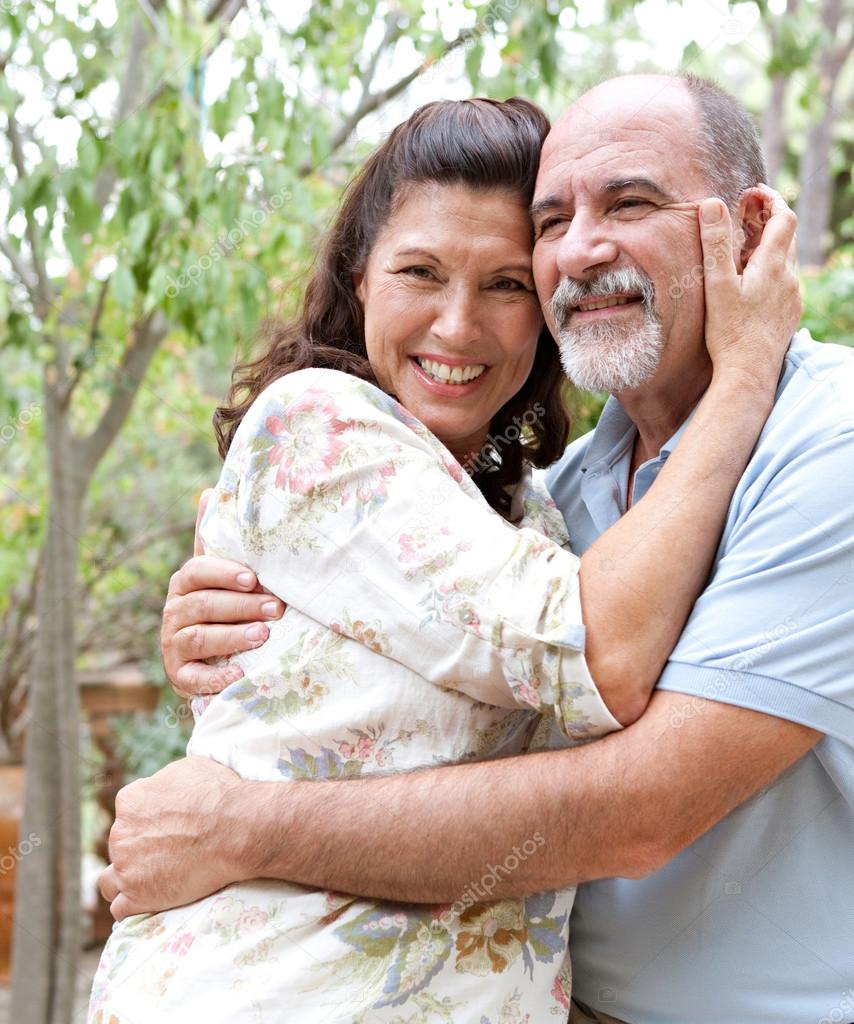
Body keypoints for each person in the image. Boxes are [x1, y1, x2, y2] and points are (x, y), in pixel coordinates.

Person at [101, 75, 854, 1024]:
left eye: (630, 202)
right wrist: (238, 624)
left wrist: (240, 827)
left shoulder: (830, 447)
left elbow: (642, 802)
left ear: (749, 232)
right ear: (359, 278)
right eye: (552, 221)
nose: (583, 247)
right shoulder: (565, 495)